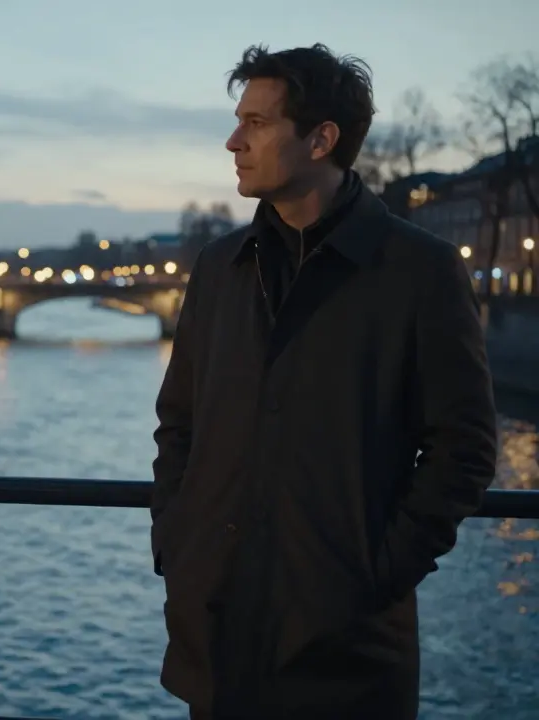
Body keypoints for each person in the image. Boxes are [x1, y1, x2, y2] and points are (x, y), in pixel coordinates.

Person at [150, 44, 498, 719]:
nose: (233, 141)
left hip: (346, 652)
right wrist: (177, 543)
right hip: (216, 635)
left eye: (256, 123)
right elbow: (180, 425)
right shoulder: (221, 268)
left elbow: (465, 448)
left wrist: (378, 575)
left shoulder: (419, 272)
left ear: (321, 138)